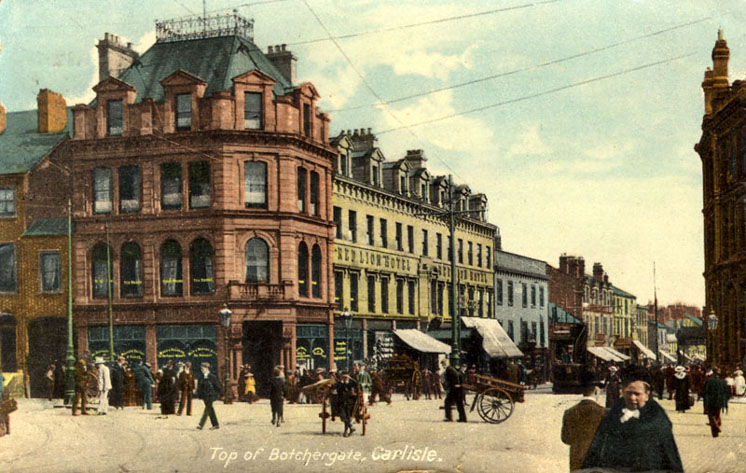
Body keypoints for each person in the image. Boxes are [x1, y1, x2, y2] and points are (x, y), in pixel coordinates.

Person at [582, 366, 683, 472]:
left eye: (637, 394)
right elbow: (596, 450)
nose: (632, 398)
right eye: (629, 393)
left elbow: (671, 458)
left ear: (647, 395)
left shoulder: (657, 418)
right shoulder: (613, 415)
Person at [561, 369, 606, 472]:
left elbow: (565, 438)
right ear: (596, 390)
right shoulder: (604, 413)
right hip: (598, 463)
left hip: (576, 461)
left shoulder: (569, 412)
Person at [703, 367, 730, 438]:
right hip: (720, 401)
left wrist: (705, 399)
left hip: (711, 400)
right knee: (717, 415)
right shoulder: (723, 382)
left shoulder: (709, 381)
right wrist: (725, 400)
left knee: (711, 415)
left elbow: (705, 391)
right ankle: (716, 432)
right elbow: (727, 392)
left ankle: (716, 428)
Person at [196, 362, 221, 430]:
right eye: (201, 369)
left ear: (207, 368)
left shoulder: (212, 377)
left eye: (203, 369)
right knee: (210, 410)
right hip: (204, 396)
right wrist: (199, 394)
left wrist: (216, 394)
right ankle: (216, 424)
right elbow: (199, 387)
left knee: (207, 409)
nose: (202, 370)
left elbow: (218, 386)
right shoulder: (201, 377)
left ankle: (201, 424)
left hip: (211, 395)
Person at [334, 370, 359, 437]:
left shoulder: (352, 383)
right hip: (341, 403)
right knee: (343, 416)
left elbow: (357, 385)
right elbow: (335, 388)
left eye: (346, 377)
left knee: (348, 416)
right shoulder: (339, 383)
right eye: (343, 377)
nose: (345, 378)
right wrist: (340, 381)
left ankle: (346, 431)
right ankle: (350, 427)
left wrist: (350, 378)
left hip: (350, 403)